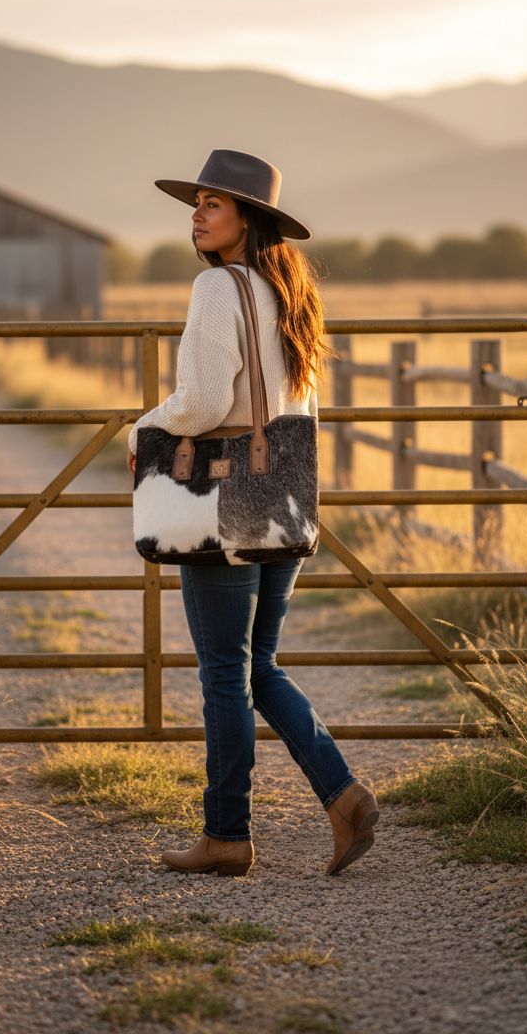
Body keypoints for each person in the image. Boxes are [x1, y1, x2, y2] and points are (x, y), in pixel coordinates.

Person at [126, 149, 380, 877]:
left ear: (248, 219)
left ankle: (227, 835)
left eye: (213, 203)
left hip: (223, 500)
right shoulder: (288, 291)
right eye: (196, 203)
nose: (197, 215)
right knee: (257, 664)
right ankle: (345, 796)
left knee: (224, 677)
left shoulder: (217, 290)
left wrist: (143, 427)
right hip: (282, 497)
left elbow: (205, 406)